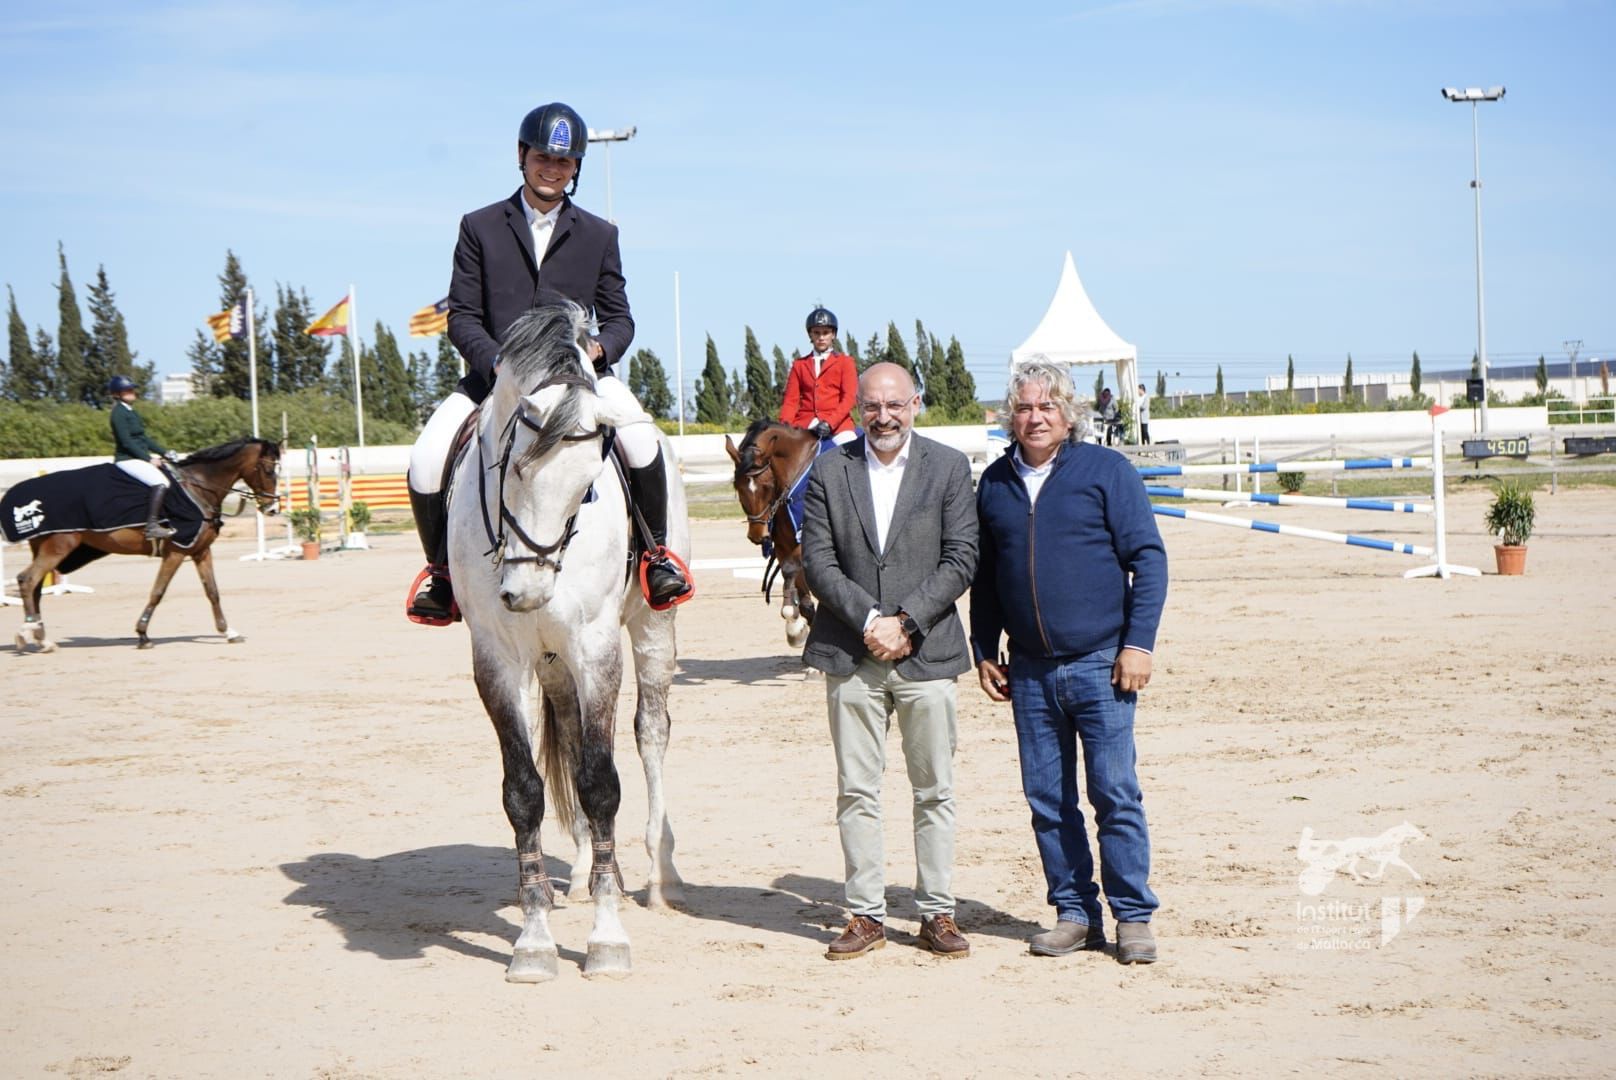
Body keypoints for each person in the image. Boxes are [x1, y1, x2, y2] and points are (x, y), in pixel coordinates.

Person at [406, 101, 691, 624]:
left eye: (565, 161)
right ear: (522, 156)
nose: (554, 169)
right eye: (544, 157)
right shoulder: (480, 226)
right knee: (426, 460)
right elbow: (463, 316)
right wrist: (499, 365)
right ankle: (441, 573)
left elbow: (621, 318)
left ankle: (654, 559)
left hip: (578, 382)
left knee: (643, 442)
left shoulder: (600, 234)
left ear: (577, 167)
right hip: (494, 381)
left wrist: (599, 349)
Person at [971, 361, 1168, 965]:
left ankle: (1132, 916)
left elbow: (1149, 560)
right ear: (1011, 415)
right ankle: (1074, 912)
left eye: (1047, 407)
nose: (1035, 417)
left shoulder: (1106, 472)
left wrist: (1139, 644)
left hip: (1102, 665)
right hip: (1028, 672)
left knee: (1114, 793)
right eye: (1025, 408)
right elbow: (984, 578)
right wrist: (984, 650)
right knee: (1047, 801)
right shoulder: (995, 483)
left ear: (1068, 414)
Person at [799, 362, 979, 961]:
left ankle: (937, 912)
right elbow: (818, 560)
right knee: (857, 790)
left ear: (915, 405)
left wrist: (905, 622)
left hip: (926, 653)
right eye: (872, 406)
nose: (884, 416)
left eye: (895, 404)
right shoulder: (829, 469)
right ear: (857, 410)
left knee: (935, 790)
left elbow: (961, 558)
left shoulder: (950, 469)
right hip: (851, 652)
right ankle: (866, 914)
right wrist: (868, 620)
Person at [108, 374, 178, 539]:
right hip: (126, 459)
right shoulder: (118, 413)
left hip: (137, 457)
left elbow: (143, 438)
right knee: (161, 483)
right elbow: (126, 442)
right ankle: (151, 526)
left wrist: (164, 452)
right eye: (127, 390)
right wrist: (148, 459)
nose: (132, 392)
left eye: (132, 389)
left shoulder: (131, 412)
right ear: (117, 394)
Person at [780, 307, 858, 444]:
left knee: (851, 451)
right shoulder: (799, 365)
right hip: (805, 423)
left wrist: (830, 422)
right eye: (816, 333)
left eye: (826, 333)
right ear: (810, 335)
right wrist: (784, 426)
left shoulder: (845, 362)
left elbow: (849, 399)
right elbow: (790, 401)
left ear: (833, 334)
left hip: (838, 426)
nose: (821, 337)